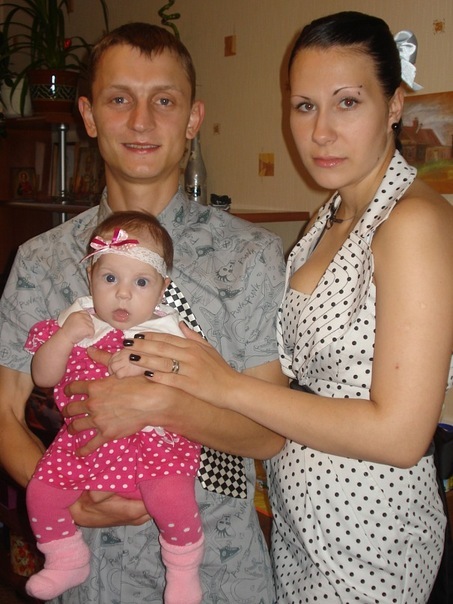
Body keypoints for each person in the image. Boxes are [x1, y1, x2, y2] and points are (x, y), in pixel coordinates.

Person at [101, 12, 453, 604]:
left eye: (347, 103)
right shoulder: (331, 217)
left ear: (394, 104)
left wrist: (226, 385)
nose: (321, 133)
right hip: (300, 528)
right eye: (304, 106)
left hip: (370, 535)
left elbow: (400, 435)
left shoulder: (412, 221)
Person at [0, 23, 287, 603]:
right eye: (119, 99)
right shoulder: (40, 262)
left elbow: (270, 433)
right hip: (89, 571)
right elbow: (4, 408)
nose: (140, 121)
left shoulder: (250, 257)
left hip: (217, 571)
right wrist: (63, 495)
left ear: (193, 119)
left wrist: (163, 406)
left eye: (164, 101)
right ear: (88, 115)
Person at [24, 211, 205, 603]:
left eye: (141, 282)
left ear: (163, 288)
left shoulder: (168, 330)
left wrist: (147, 365)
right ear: (90, 276)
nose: (123, 294)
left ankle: (183, 573)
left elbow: (198, 383)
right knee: (40, 493)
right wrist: (64, 338)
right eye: (110, 279)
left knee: (172, 500)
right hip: (82, 440)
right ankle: (65, 558)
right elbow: (43, 376)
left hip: (153, 446)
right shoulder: (77, 321)